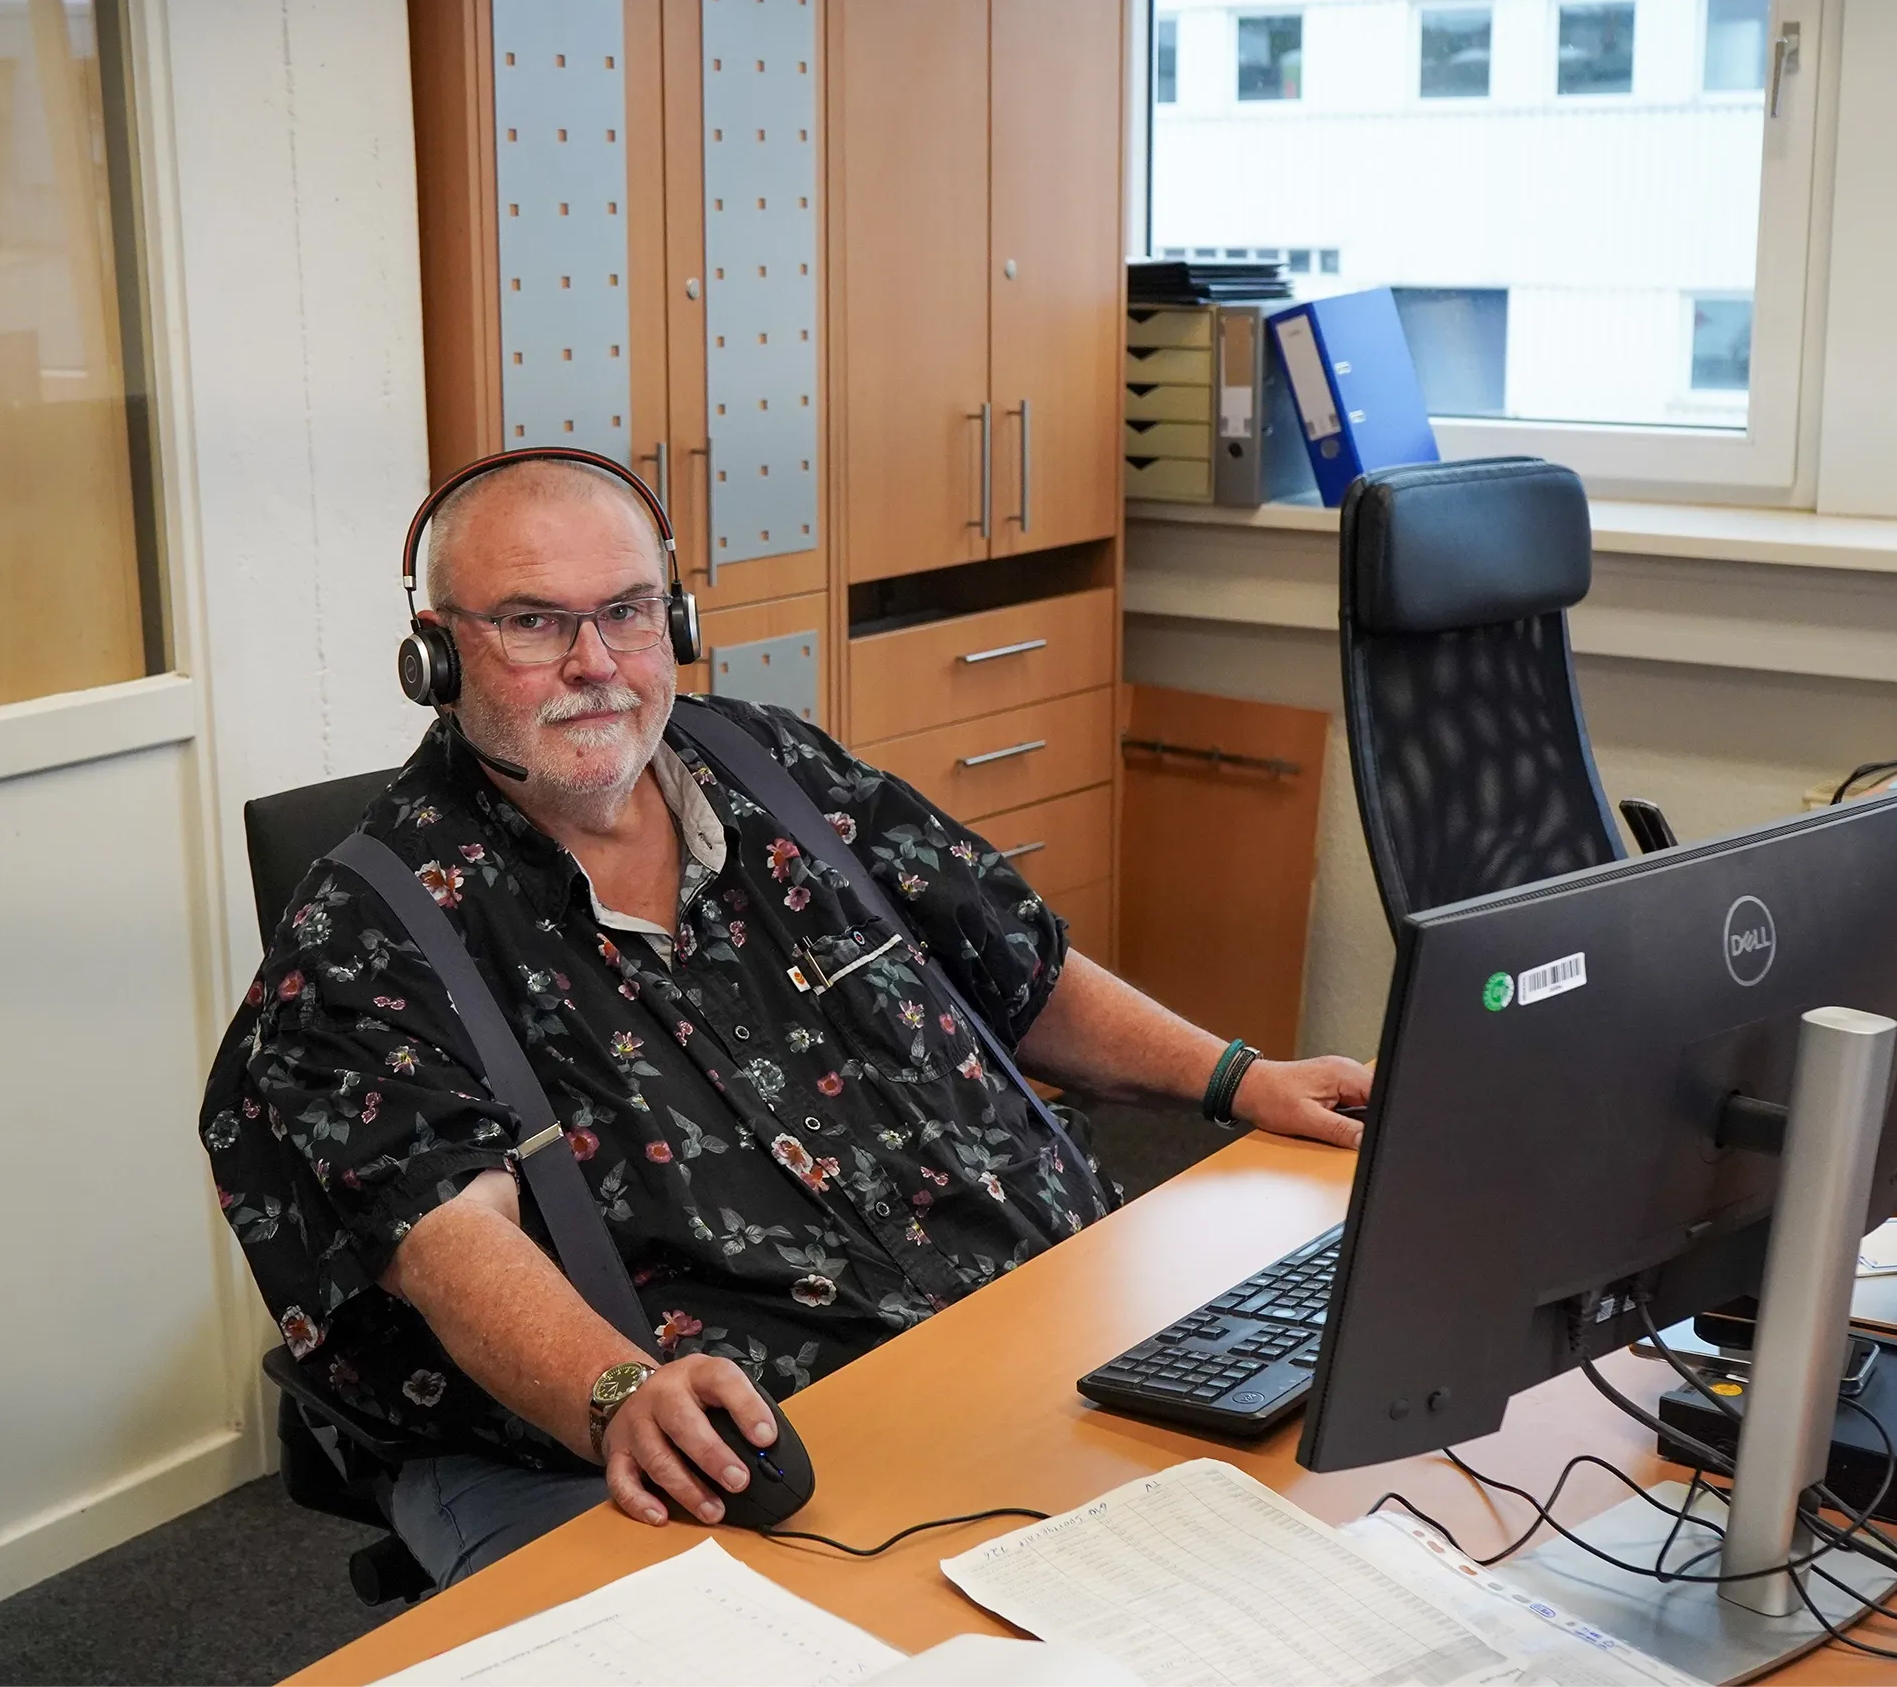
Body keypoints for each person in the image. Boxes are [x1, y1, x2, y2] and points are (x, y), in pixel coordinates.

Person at [197, 457, 1369, 1588]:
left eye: (628, 611)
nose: (596, 663)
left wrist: (1236, 1079)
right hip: (730, 1436)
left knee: (1318, 1537)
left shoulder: (771, 765)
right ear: (433, 657)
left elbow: (1015, 963)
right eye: (533, 624)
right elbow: (448, 1245)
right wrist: (615, 1392)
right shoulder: (368, 929)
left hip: (1015, 1322)